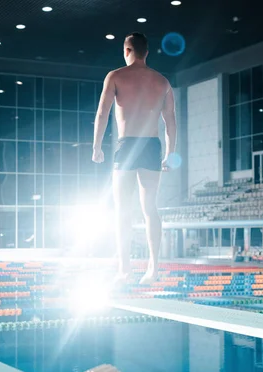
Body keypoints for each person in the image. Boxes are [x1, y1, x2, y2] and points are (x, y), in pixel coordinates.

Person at [92, 32, 177, 285]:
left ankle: (125, 270)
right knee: (150, 208)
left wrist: (96, 147)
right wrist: (171, 154)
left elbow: (102, 114)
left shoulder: (116, 76)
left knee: (123, 211)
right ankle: (153, 270)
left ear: (127, 50)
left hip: (127, 145)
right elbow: (170, 121)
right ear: (147, 52)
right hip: (152, 145)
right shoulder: (162, 81)